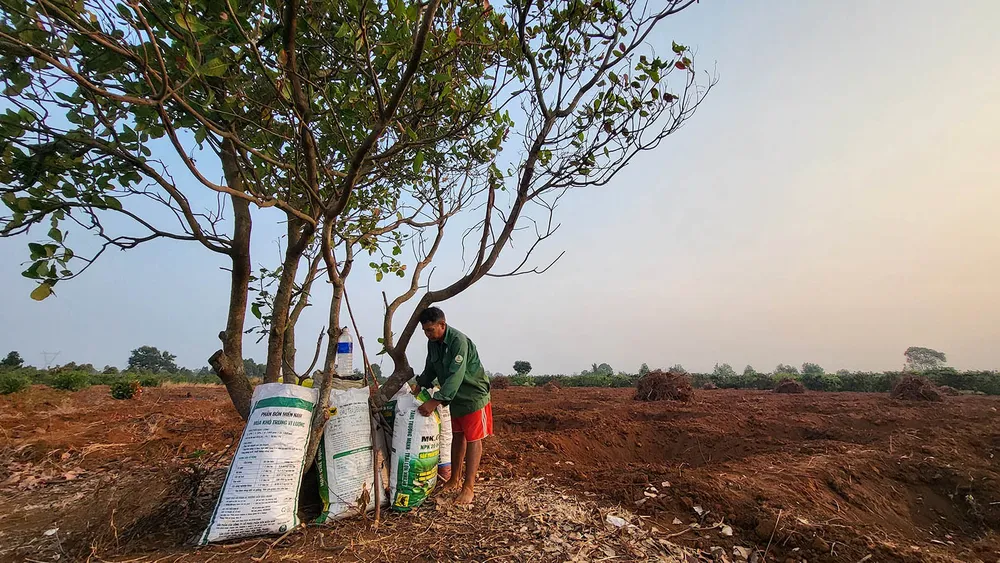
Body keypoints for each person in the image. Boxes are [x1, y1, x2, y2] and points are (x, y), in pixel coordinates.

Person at [413, 306, 492, 505]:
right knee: (457, 436)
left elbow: (456, 376)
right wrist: (420, 383)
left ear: (442, 324)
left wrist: (434, 401)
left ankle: (469, 487)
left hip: (473, 395)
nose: (428, 334)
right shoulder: (433, 343)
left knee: (473, 438)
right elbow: (431, 367)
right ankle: (454, 479)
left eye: (430, 330)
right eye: (425, 331)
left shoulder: (459, 342)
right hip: (455, 397)